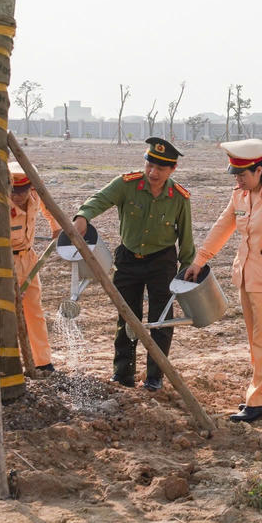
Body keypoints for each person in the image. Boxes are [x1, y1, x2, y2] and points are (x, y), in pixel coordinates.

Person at [186, 139, 262, 423]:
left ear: (259, 170)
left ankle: (258, 401)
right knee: (258, 341)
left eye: (243, 174)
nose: (238, 179)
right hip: (247, 276)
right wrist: (200, 260)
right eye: (235, 174)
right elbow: (223, 227)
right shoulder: (240, 195)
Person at [72, 137, 193, 390]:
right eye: (149, 165)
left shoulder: (179, 198)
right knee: (127, 316)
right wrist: (83, 216)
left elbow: (187, 239)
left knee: (160, 320)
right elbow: (99, 199)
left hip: (162, 262)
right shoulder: (127, 184)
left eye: (160, 168)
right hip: (128, 259)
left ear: (172, 170)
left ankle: (154, 377)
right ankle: (123, 373)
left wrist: (189, 269)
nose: (153, 172)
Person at [9, 167, 60, 371]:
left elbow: (49, 207)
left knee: (34, 312)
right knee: (4, 315)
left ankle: (43, 362)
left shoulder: (35, 194)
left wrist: (56, 227)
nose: (18, 196)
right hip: (4, 261)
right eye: (13, 191)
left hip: (29, 258)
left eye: (23, 191)